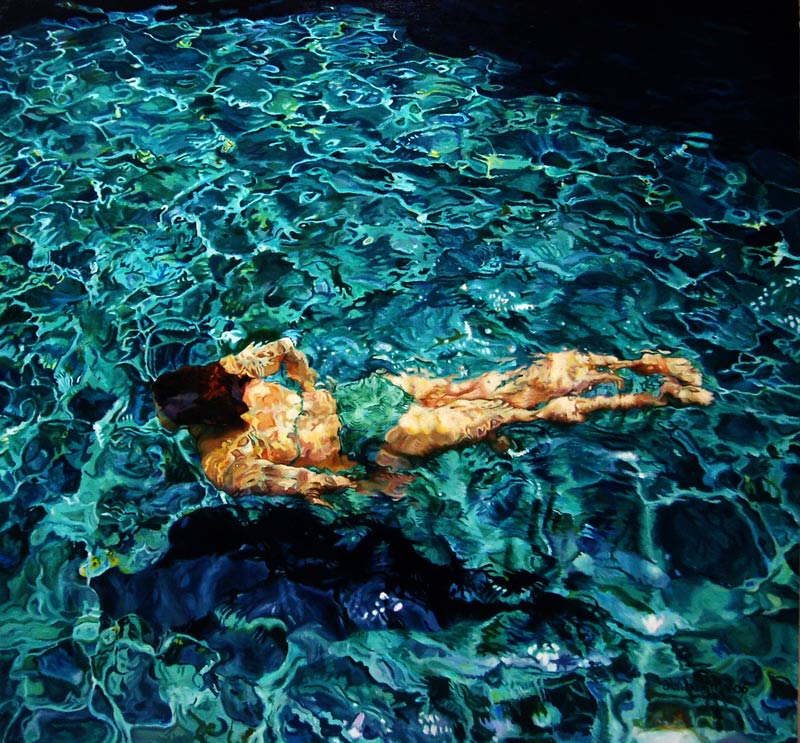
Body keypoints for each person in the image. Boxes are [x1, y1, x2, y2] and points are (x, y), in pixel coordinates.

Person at [153, 338, 712, 506]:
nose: (158, 416)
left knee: (524, 413)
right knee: (499, 386)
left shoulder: (223, 461)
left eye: (165, 412)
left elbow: (303, 483)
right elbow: (285, 347)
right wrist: (310, 387)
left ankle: (659, 399)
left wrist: (362, 484)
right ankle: (636, 364)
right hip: (371, 392)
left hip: (373, 437)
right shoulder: (231, 372)